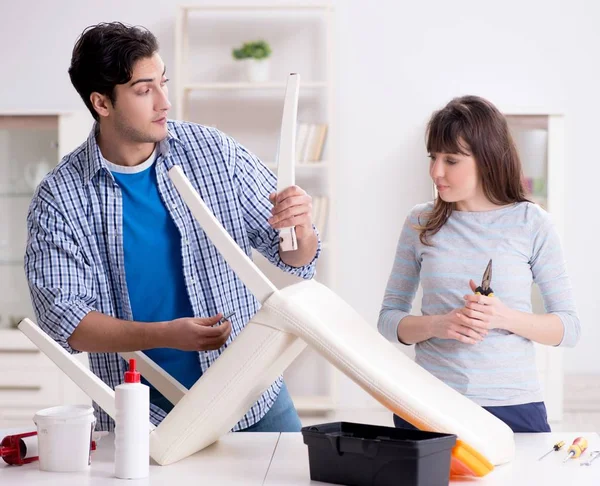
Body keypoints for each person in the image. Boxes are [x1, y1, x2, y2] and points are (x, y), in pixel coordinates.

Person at [24, 22, 320, 432]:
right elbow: (66, 322)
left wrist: (300, 229)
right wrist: (164, 334)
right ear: (102, 103)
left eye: (163, 83)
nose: (164, 102)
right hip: (145, 419)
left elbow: (292, 257)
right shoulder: (60, 198)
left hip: (252, 396)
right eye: (145, 90)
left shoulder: (212, 151)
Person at [377, 95, 580, 433]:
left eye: (451, 160)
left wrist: (504, 317)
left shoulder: (531, 223)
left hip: (513, 405)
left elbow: (569, 329)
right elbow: (388, 320)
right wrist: (437, 325)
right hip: (429, 404)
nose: (436, 171)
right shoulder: (421, 222)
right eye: (433, 157)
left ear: (487, 160)